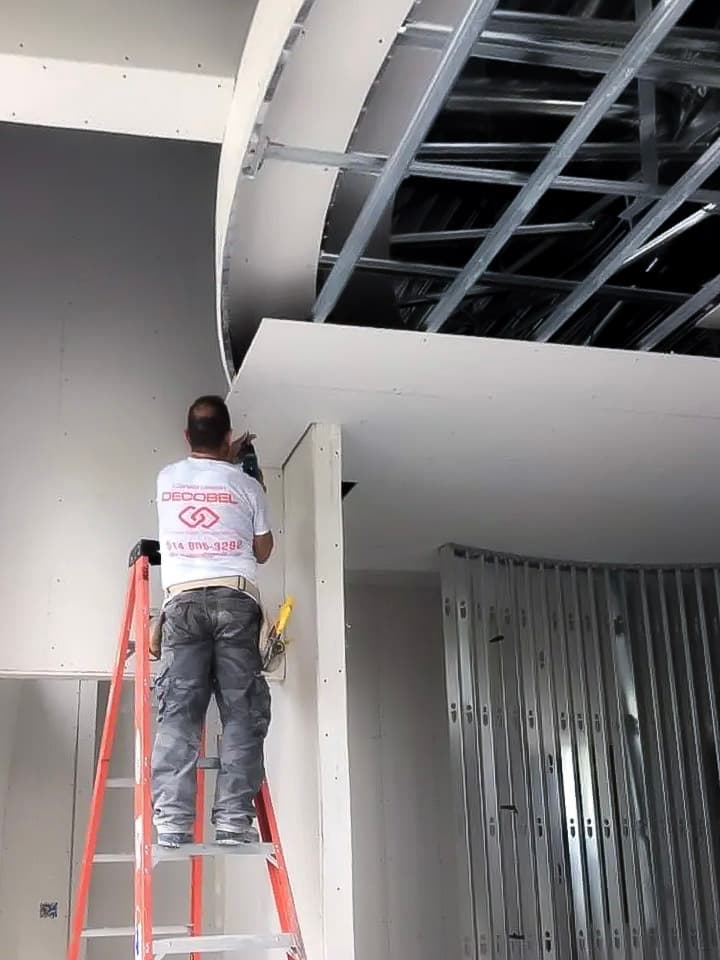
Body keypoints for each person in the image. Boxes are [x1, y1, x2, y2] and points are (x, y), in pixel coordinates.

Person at [152, 395, 273, 848]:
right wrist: (245, 472)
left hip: (181, 604)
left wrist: (225, 459)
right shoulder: (249, 487)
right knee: (241, 712)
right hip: (235, 599)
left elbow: (203, 481)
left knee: (180, 713)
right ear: (228, 436)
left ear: (187, 437)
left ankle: (172, 822)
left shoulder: (166, 478)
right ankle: (232, 821)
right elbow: (262, 551)